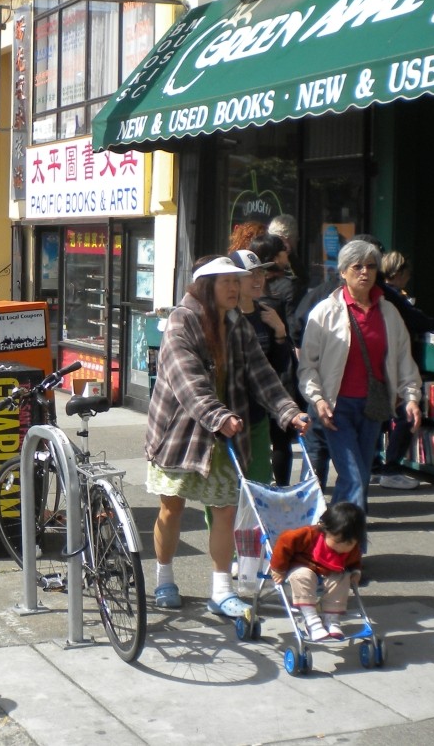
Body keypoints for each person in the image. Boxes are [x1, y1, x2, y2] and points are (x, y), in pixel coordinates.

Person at [146, 255, 311, 615]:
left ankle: (221, 590)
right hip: (180, 434)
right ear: (207, 287)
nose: (236, 288)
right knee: (171, 508)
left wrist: (289, 411)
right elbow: (187, 380)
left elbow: (261, 374)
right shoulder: (181, 321)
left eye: (238, 281)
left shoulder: (237, 324)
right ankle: (164, 577)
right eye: (227, 282)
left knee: (225, 510)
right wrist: (217, 415)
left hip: (224, 432)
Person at [299, 239, 422, 513]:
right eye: (357, 267)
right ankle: (344, 543)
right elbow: (307, 366)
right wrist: (318, 400)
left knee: (360, 479)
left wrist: (411, 397)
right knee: (355, 477)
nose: (364, 272)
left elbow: (404, 359)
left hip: (373, 407)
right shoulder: (324, 312)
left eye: (370, 266)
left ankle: (343, 543)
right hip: (336, 408)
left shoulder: (389, 313)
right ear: (342, 272)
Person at [374, 250, 434, 489]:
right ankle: (391, 467)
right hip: (394, 362)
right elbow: (416, 319)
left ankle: (376, 464)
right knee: (406, 412)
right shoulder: (391, 297)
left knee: (381, 415)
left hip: (383, 362)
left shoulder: (381, 296)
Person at [227, 249, 293, 485]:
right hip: (228, 415)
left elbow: (278, 366)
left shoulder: (268, 312)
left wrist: (280, 333)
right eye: (249, 274)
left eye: (260, 273)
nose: (257, 280)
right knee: (227, 489)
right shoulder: (224, 317)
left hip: (259, 413)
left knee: (259, 482)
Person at [269, 501, 366, 641]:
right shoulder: (308, 535)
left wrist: (356, 572)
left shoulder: (351, 548)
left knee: (343, 577)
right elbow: (284, 542)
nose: (343, 548)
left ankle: (332, 619)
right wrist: (279, 569)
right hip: (303, 565)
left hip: (331, 571)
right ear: (325, 530)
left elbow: (354, 561)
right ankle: (312, 620)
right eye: (338, 541)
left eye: (350, 544)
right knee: (302, 575)